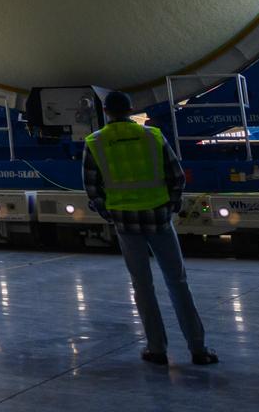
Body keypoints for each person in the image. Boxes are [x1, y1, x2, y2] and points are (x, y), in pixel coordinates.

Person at [83, 90, 219, 367]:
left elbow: (92, 188)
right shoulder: (153, 136)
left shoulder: (95, 142)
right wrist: (169, 206)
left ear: (106, 111)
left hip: (125, 223)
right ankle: (198, 349)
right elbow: (176, 177)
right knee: (178, 283)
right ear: (132, 109)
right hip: (159, 219)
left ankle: (156, 349)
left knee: (142, 287)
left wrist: (111, 214)